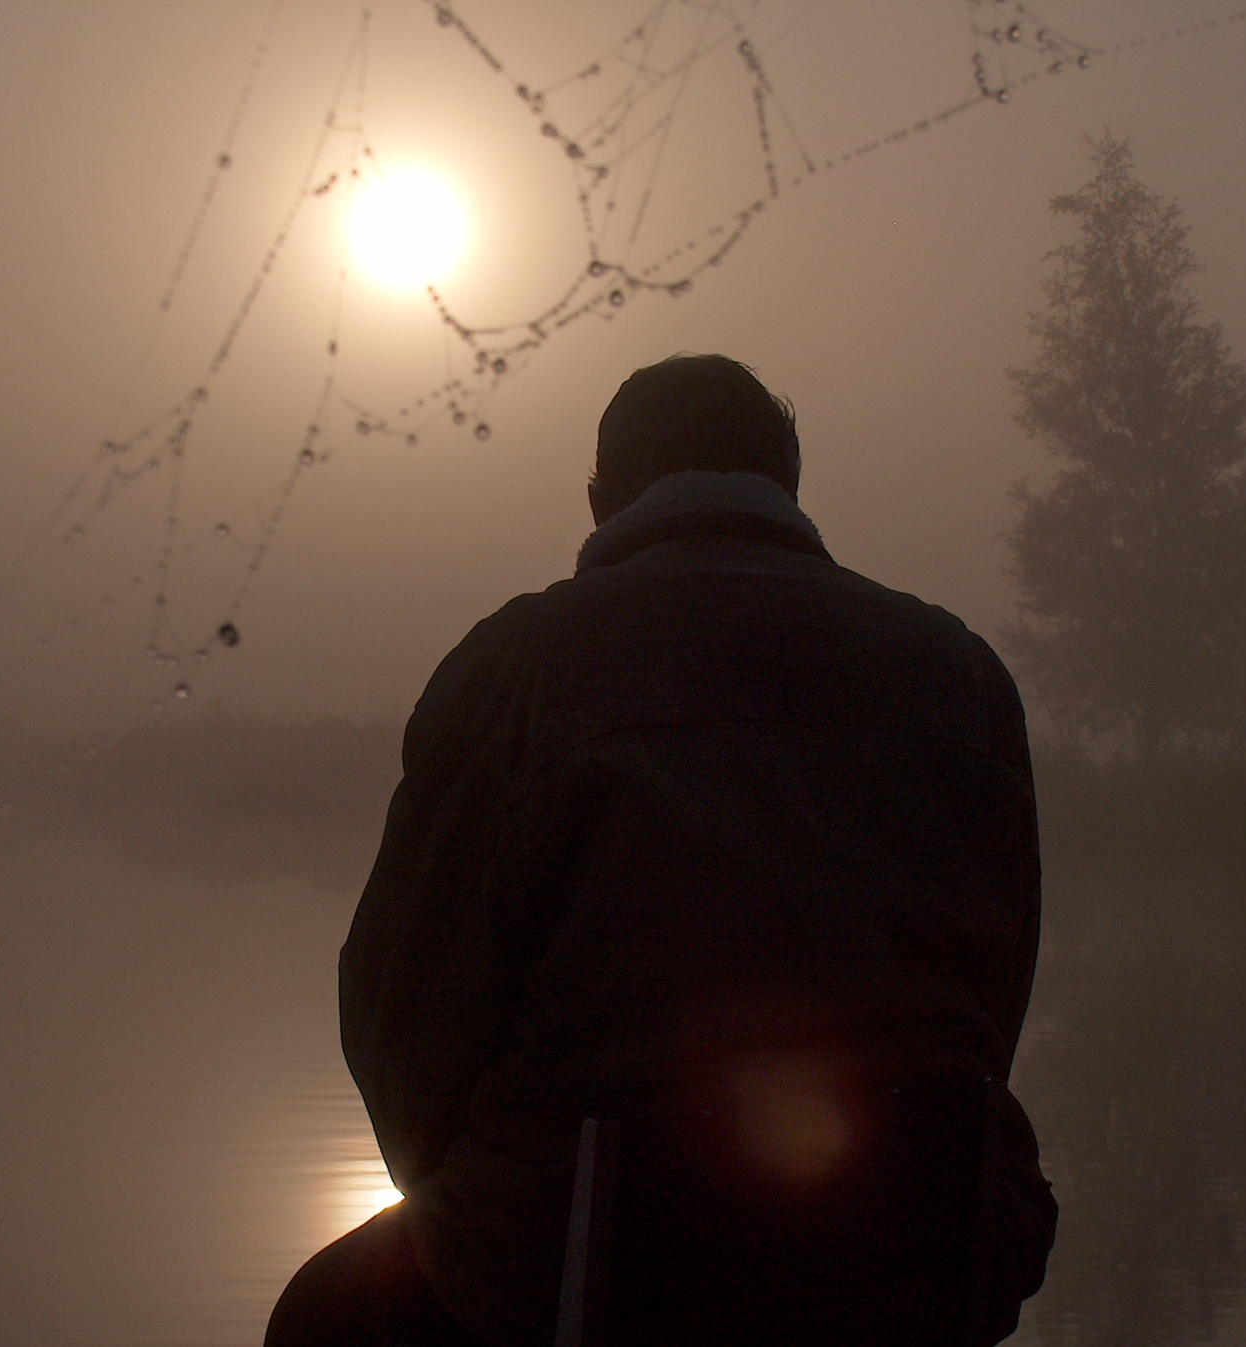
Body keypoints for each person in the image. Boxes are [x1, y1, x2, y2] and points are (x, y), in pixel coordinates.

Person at [266, 355, 1056, 1347]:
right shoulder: (964, 675)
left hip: (595, 1264)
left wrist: (469, 1206)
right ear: (788, 486)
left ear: (602, 501)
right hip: (929, 1249)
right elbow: (998, 996)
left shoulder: (516, 668)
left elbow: (405, 1018)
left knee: (326, 1314)